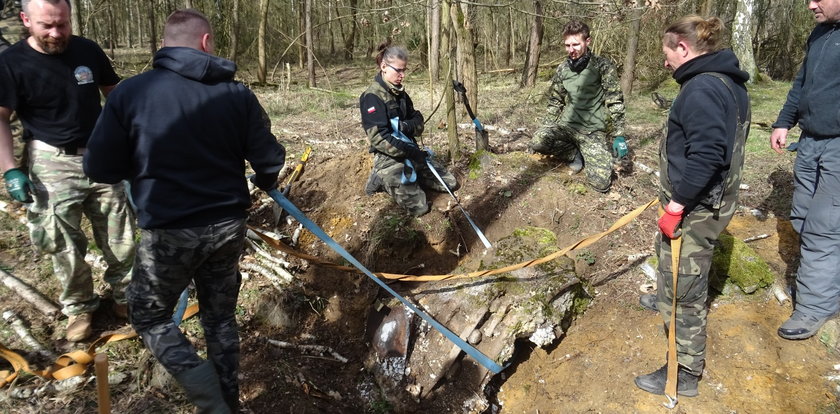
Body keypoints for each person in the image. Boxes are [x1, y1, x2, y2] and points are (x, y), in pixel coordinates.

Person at [84, 9, 285, 413]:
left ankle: (206, 392)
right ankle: (225, 401)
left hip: (169, 231)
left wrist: (138, 167)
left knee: (149, 315)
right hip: (228, 227)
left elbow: (98, 166)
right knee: (220, 318)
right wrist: (265, 180)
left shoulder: (130, 93)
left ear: (162, 46)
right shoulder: (236, 94)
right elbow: (268, 158)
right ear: (207, 43)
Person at [0, 0, 135, 342]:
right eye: (47, 25)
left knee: (122, 235)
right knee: (61, 241)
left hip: (101, 156)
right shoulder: (11, 62)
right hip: (51, 160)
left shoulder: (88, 51)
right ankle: (79, 308)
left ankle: (126, 298)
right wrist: (10, 169)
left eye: (62, 24)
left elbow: (114, 95)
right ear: (25, 20)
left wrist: (133, 139)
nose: (56, 33)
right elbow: (1, 117)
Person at [634, 16, 750, 397]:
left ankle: (683, 372)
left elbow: (708, 155)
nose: (665, 62)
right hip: (706, 202)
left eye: (667, 53)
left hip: (696, 208)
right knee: (676, 270)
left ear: (682, 48)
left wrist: (676, 205)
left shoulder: (701, 89)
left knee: (686, 293)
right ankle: (666, 293)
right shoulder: (726, 80)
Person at [770, 0, 840, 340]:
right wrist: (784, 122)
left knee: (823, 230)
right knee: (800, 217)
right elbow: (802, 82)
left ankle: (815, 307)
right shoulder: (820, 33)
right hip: (811, 140)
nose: (809, 4)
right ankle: (829, 287)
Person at [359, 41, 458, 217]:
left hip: (410, 151)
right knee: (420, 207)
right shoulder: (372, 97)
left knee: (450, 183)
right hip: (388, 158)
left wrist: (405, 127)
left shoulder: (401, 94)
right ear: (384, 67)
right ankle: (380, 178)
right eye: (399, 70)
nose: (402, 75)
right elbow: (380, 139)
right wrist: (411, 151)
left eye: (404, 70)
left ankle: (412, 174)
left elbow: (418, 121)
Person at [530, 20, 626, 193]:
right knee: (537, 142)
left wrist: (619, 135)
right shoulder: (562, 69)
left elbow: (615, 100)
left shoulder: (602, 66)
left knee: (601, 184)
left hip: (592, 131)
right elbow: (555, 101)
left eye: (575, 44)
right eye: (567, 45)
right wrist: (545, 127)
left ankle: (587, 153)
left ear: (587, 42)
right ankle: (573, 153)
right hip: (566, 128)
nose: (571, 50)